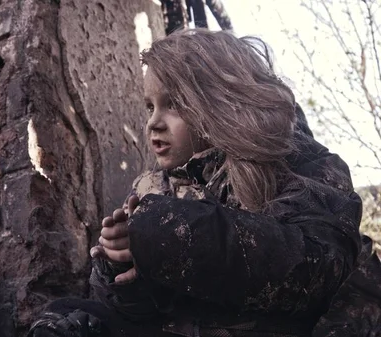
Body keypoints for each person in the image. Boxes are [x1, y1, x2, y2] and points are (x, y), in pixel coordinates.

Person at [27, 29, 367, 337]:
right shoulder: (150, 187)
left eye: (172, 104)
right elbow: (132, 309)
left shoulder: (296, 163)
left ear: (222, 100)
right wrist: (121, 265)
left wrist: (172, 235)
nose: (153, 123)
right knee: (69, 316)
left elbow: (316, 266)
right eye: (149, 107)